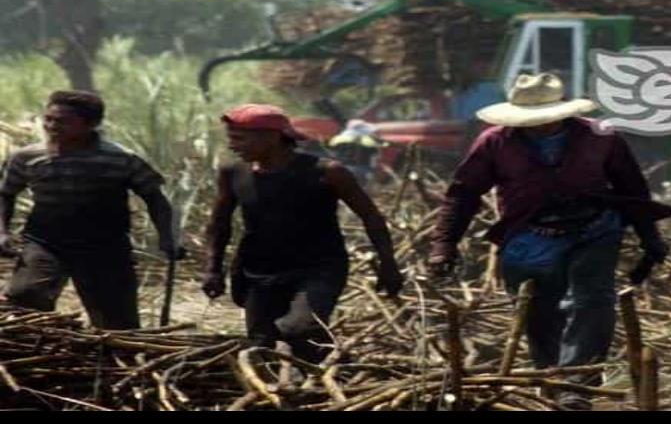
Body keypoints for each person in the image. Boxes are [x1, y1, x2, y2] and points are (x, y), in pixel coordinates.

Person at [426, 73, 671, 410]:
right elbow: (463, 194)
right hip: (528, 236)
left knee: (590, 302)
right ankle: (553, 380)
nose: (539, 127)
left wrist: (650, 237)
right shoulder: (495, 142)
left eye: (547, 120)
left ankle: (578, 386)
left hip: (594, 229)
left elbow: (632, 188)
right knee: (538, 314)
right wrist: (444, 245)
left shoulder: (599, 137)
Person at [201, 104, 403, 363]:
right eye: (231, 138)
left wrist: (388, 264)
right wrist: (212, 269)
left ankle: (326, 366)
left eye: (239, 138)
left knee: (298, 328)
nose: (232, 146)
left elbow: (371, 218)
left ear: (272, 137)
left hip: (318, 269)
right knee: (263, 347)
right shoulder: (234, 174)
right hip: (258, 272)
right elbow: (219, 224)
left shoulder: (327, 172)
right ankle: (317, 379)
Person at [0, 90, 178, 330]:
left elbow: (155, 198)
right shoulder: (27, 157)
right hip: (46, 242)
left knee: (116, 320)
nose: (51, 126)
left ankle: (114, 363)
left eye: (62, 121)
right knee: (25, 298)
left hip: (105, 245)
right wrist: (2, 231)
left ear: (90, 124)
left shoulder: (120, 158)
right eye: (49, 119)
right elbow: (6, 194)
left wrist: (167, 237)